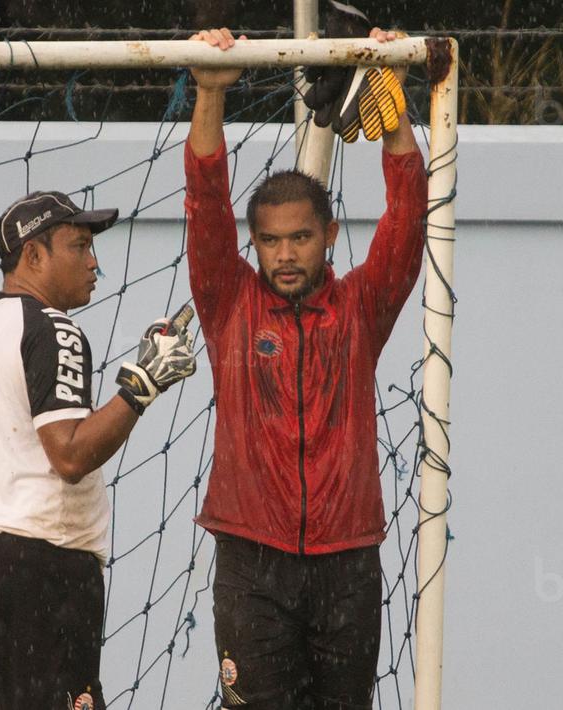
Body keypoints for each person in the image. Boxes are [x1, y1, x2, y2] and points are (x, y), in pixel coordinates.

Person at [184, 26, 428, 709]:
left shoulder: (360, 307)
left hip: (346, 564)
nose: (284, 254)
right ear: (253, 244)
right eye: (269, 241)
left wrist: (393, 105)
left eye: (299, 237)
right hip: (250, 564)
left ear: (328, 236)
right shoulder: (229, 302)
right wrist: (209, 91)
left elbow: (408, 221)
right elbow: (205, 205)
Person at [0, 190, 197, 710]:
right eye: (80, 246)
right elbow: (67, 458)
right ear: (34, 256)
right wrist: (143, 385)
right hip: (46, 567)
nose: (94, 263)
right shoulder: (55, 327)